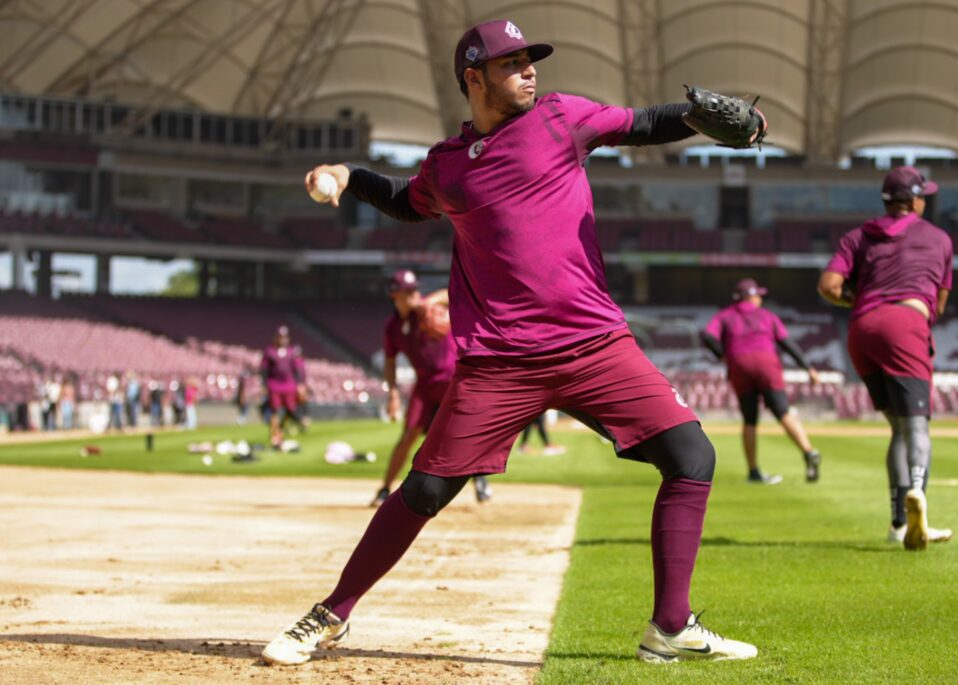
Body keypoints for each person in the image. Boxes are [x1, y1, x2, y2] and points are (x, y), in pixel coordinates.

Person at [262, 19, 763, 666]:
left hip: (594, 343)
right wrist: (348, 172)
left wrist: (703, 121)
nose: (529, 71)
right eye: (511, 63)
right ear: (474, 78)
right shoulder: (447, 164)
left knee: (692, 455)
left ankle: (670, 625)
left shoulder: (563, 117)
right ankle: (331, 614)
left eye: (531, 60)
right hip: (500, 361)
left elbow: (643, 122)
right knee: (424, 491)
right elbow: (407, 202)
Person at [818, 166, 954, 551]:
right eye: (924, 196)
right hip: (905, 324)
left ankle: (897, 523)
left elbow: (828, 286)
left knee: (896, 427)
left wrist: (858, 299)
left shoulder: (858, 236)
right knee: (917, 428)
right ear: (914, 201)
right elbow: (938, 305)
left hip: (861, 329)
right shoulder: (940, 238)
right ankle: (918, 496)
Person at [370, 269, 491, 507]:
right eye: (407, 291)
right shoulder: (392, 326)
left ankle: (481, 480)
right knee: (407, 436)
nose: (413, 295)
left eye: (414, 290)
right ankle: (385, 488)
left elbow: (453, 294)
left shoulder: (427, 310)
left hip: (451, 381)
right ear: (394, 295)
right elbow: (390, 361)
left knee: (464, 433)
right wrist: (393, 394)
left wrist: (430, 301)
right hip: (424, 386)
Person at [701, 279, 823, 484]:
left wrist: (723, 355)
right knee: (783, 412)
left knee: (749, 420)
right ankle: (808, 451)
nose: (759, 299)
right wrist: (808, 368)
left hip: (739, 364)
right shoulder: (767, 315)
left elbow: (707, 336)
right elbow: (787, 343)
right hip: (767, 363)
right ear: (752, 296)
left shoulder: (725, 315)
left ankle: (753, 471)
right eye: (758, 295)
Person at [260, 326, 306, 448]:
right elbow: (264, 369)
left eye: (285, 337)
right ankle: (274, 435)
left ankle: (280, 429)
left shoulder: (292, 351)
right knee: (274, 411)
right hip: (274, 385)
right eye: (281, 337)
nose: (283, 339)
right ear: (276, 337)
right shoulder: (269, 351)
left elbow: (298, 369)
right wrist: (264, 385)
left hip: (289, 385)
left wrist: (300, 384)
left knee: (290, 409)